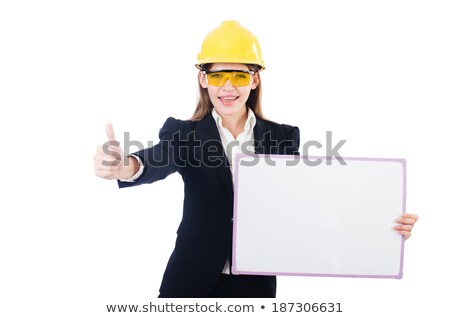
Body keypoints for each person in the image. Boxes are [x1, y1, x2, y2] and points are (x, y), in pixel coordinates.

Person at [93, 21, 418, 297]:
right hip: (190, 281)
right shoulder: (183, 134)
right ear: (203, 79)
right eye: (218, 76)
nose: (229, 87)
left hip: (256, 286)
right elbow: (158, 159)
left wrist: (381, 227)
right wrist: (127, 166)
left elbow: (306, 206)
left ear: (255, 78)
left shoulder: (282, 137)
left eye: (239, 75)